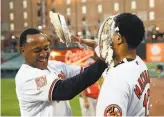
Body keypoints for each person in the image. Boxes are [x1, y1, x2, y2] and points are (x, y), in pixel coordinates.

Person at [15, 28, 107, 116]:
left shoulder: (54, 65)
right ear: (22, 50)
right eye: (37, 50)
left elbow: (87, 73)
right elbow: (64, 90)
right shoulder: (25, 76)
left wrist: (98, 48)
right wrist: (105, 58)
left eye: (46, 48)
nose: (43, 54)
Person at [74, 13, 150, 116]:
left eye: (111, 34)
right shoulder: (139, 64)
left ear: (119, 39)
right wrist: (82, 41)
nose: (108, 38)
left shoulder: (116, 80)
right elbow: (106, 51)